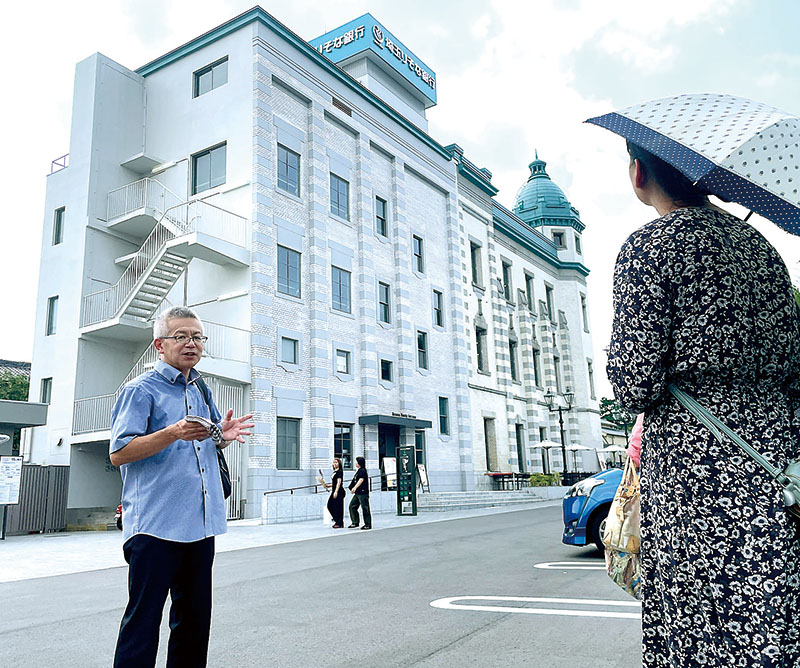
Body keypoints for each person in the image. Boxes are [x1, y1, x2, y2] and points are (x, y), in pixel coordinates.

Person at [607, 141, 800, 667]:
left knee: (699, 616)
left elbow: (634, 381)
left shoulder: (651, 248)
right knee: (769, 604)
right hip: (777, 453)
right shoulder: (763, 250)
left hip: (699, 463)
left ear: (638, 174)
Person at [109, 306, 254, 668]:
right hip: (156, 526)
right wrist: (172, 432)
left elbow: (205, 439)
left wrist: (223, 437)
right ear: (160, 344)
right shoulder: (139, 390)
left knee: (193, 625)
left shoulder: (201, 388)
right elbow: (119, 452)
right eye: (182, 336)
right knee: (142, 626)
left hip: (200, 526)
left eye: (197, 337)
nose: (191, 343)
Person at [348, 456, 371, 530]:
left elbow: (361, 480)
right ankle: (355, 522)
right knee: (352, 506)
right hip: (358, 493)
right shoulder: (358, 471)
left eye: (356, 461)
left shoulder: (363, 471)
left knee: (365, 508)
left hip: (362, 492)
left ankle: (367, 524)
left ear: (359, 462)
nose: (355, 463)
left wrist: (355, 488)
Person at [323, 458, 345, 528]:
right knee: (330, 505)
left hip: (339, 491)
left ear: (339, 464)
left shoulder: (339, 472)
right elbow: (335, 483)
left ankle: (339, 522)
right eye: (333, 462)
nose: (334, 464)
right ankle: (337, 520)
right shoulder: (334, 472)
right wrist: (329, 485)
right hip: (334, 490)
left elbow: (339, 482)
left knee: (338, 507)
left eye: (336, 462)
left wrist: (336, 491)